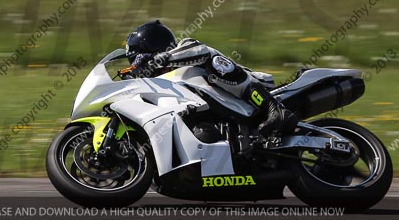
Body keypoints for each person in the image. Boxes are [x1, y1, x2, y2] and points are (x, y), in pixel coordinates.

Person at [123, 20, 298, 138]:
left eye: (140, 60)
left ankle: (273, 109)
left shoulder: (185, 48)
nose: (141, 67)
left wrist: (161, 58)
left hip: (260, 86)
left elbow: (201, 51)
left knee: (215, 63)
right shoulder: (166, 84)